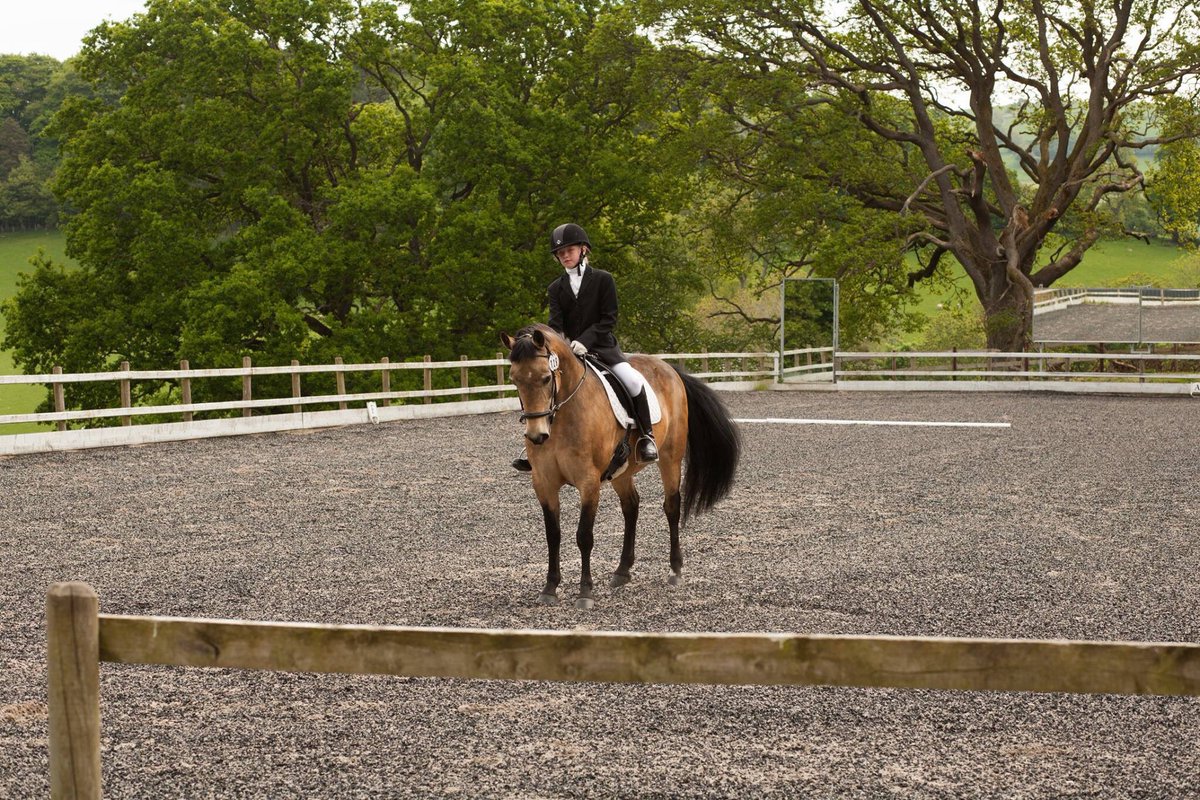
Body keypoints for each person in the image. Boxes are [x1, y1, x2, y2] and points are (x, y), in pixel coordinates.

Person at [512, 222, 658, 472]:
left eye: (569, 250)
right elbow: (555, 325)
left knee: (633, 381)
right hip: (568, 354)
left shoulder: (603, 280)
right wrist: (563, 345)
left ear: (583, 250)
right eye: (560, 253)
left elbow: (608, 319)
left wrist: (585, 341)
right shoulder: (555, 288)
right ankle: (535, 446)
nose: (565, 255)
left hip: (603, 348)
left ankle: (646, 437)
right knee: (543, 386)